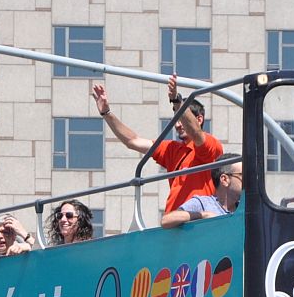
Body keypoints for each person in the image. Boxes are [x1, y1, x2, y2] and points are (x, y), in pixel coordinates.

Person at [92, 73, 224, 213]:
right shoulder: (171, 149)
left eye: (182, 119)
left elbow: (196, 134)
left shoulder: (212, 144)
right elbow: (132, 141)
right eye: (176, 119)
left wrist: (177, 101)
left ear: (199, 119)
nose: (178, 125)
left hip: (199, 222)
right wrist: (106, 113)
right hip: (173, 223)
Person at [160, 162, 242, 228]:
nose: (249, 179)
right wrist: (203, 215)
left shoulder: (246, 207)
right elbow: (166, 220)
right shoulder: (204, 203)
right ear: (224, 179)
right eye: (242, 175)